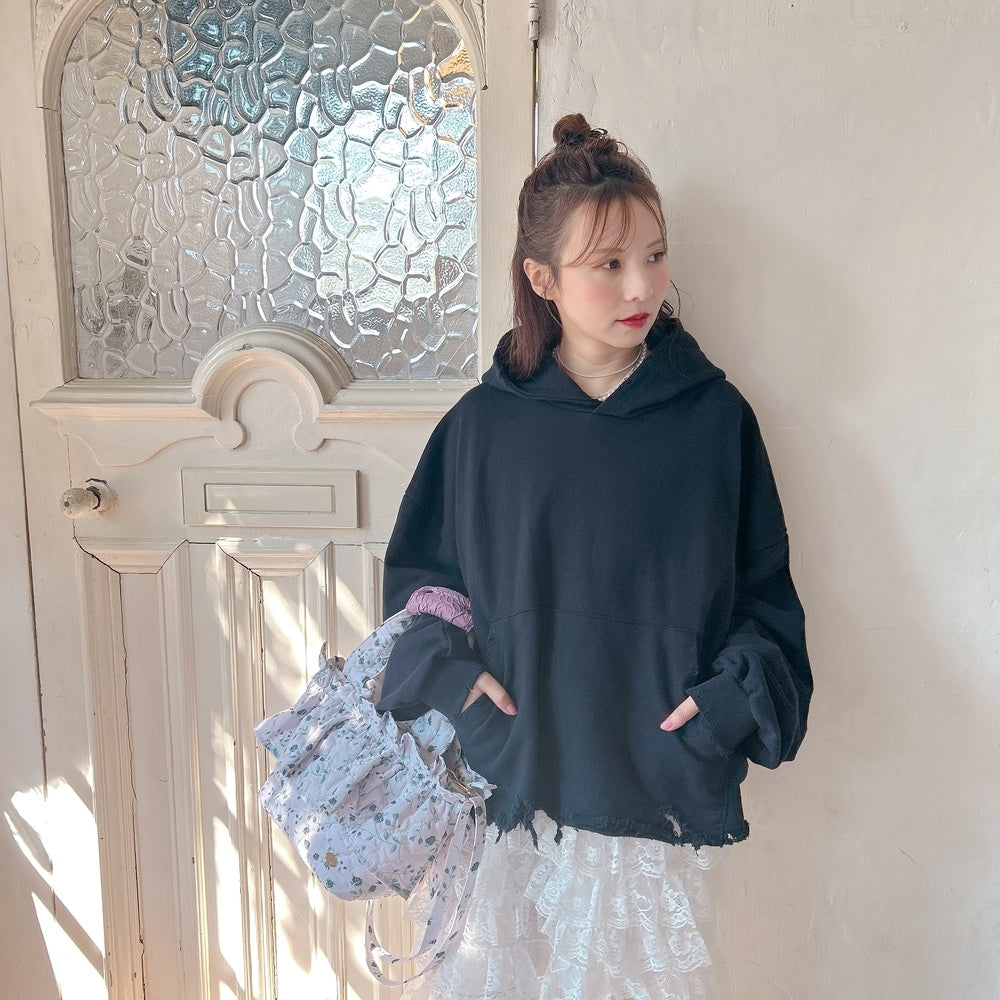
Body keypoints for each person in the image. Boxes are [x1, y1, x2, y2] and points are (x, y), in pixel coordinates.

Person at [375, 113, 812, 1000]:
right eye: (607, 264)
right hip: (512, 780)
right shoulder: (483, 428)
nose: (641, 285)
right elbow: (423, 586)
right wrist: (458, 683)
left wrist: (724, 705)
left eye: (654, 255)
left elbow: (764, 594)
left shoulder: (714, 421)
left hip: (654, 780)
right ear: (542, 278)